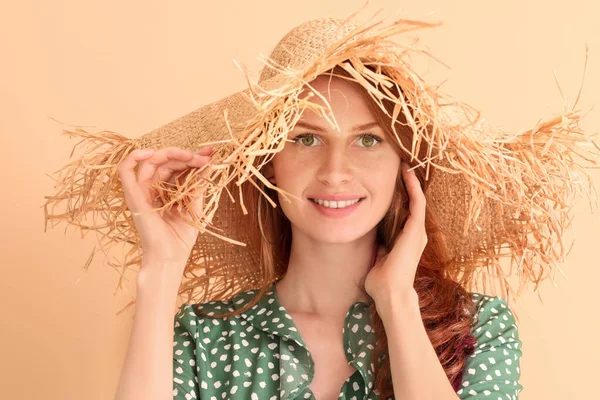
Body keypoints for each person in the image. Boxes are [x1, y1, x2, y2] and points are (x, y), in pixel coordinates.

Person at [115, 65, 522, 399]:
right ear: (268, 161)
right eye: (306, 138)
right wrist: (162, 268)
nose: (335, 172)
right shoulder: (203, 337)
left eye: (368, 139)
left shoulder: (476, 326)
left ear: (403, 166)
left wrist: (397, 300)